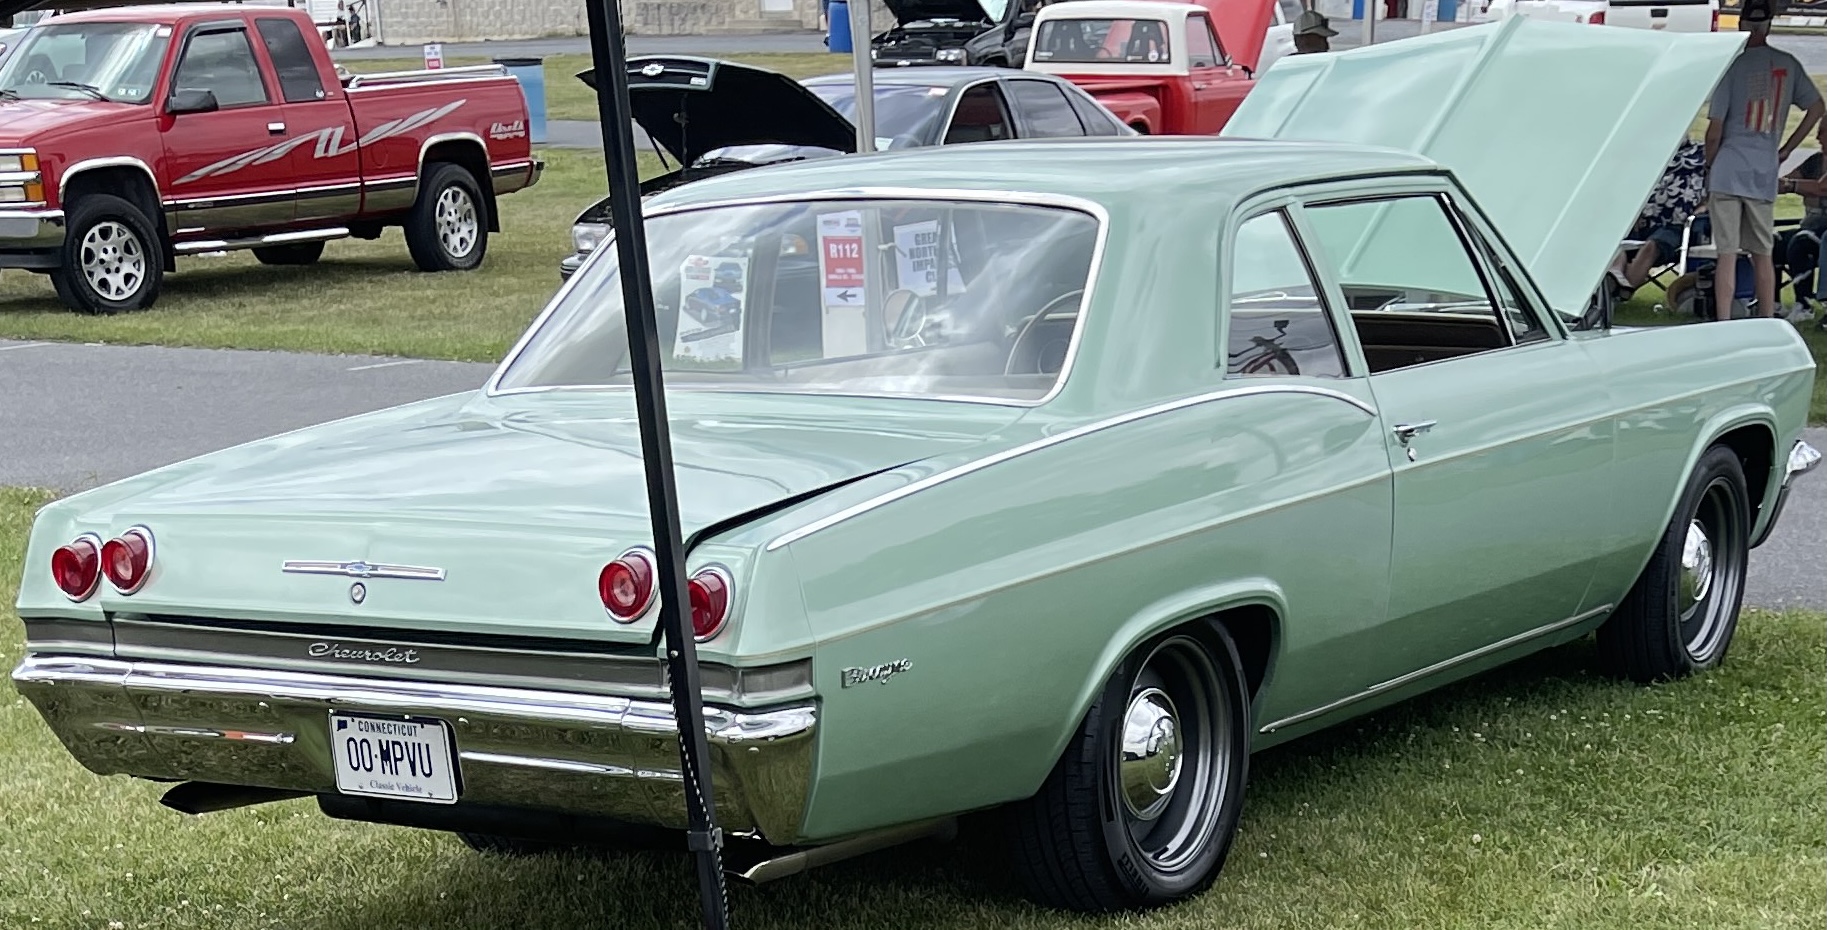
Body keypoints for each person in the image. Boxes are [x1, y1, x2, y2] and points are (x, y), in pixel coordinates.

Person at [1704, 0, 1824, 321]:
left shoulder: (1731, 66)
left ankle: (1724, 321)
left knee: (1726, 253)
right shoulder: (1788, 64)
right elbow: (1816, 108)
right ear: (1769, 25)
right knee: (1763, 252)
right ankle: (1768, 319)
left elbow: (1714, 130)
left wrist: (1709, 164)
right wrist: (1785, 149)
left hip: (1727, 169)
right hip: (1763, 169)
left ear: (1743, 25)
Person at [1612, 137, 1709, 296]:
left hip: (1677, 225)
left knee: (1652, 246)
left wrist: (1705, 205)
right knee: (1615, 242)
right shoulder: (1650, 153)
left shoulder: (1702, 153)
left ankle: (1619, 292)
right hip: (1641, 218)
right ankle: (1615, 276)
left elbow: (1715, 188)